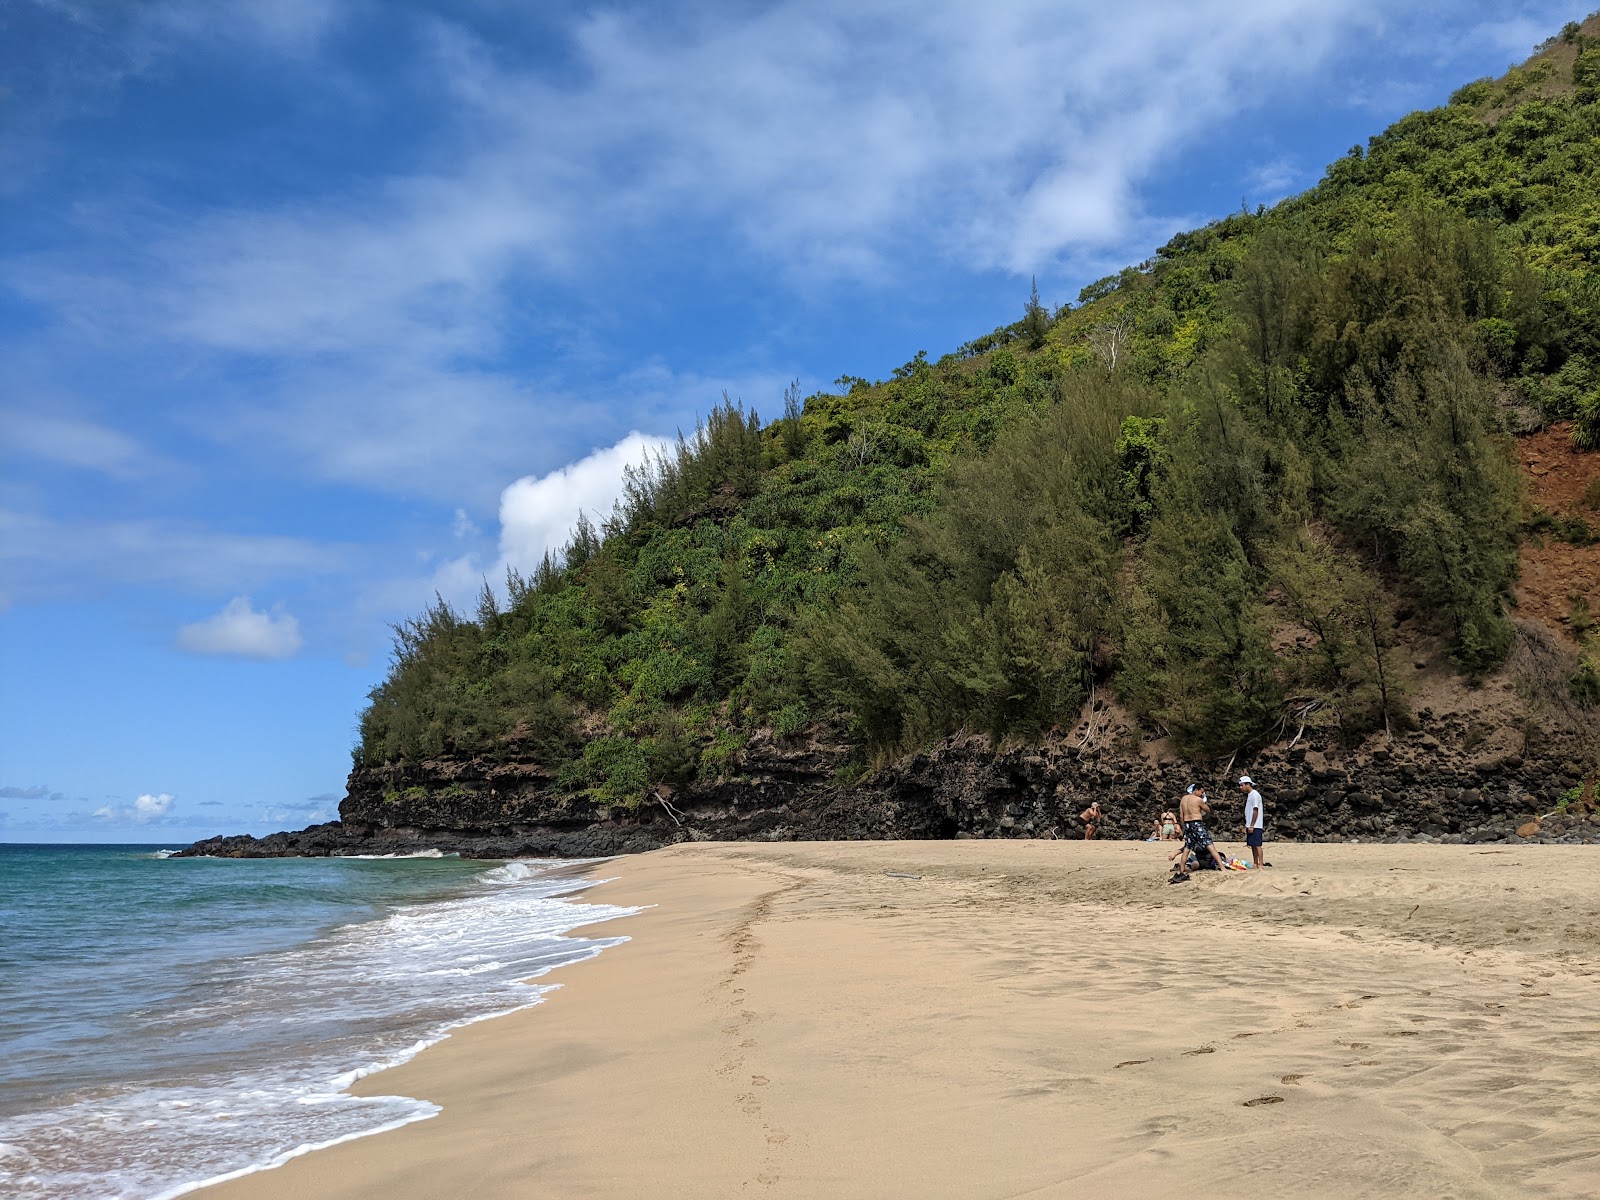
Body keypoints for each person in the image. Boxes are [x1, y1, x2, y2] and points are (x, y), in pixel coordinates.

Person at [1175, 784, 1228, 875]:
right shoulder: (1198, 800)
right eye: (1201, 792)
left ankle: (1182, 870)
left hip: (1187, 824)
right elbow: (1208, 810)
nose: (1202, 794)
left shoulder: (1183, 799)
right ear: (1196, 790)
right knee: (1210, 845)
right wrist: (1204, 800)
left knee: (1187, 848)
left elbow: (1181, 816)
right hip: (1196, 823)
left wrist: (1184, 828)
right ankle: (1222, 867)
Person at [1240, 774, 1268, 868]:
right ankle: (1255, 863)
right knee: (1252, 844)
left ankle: (1261, 864)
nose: (1241, 787)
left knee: (1257, 844)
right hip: (1250, 824)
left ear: (1248, 784)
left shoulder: (1255, 795)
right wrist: (1247, 825)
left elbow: (1255, 810)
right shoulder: (1249, 795)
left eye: (1242, 785)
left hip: (1256, 824)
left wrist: (1252, 825)